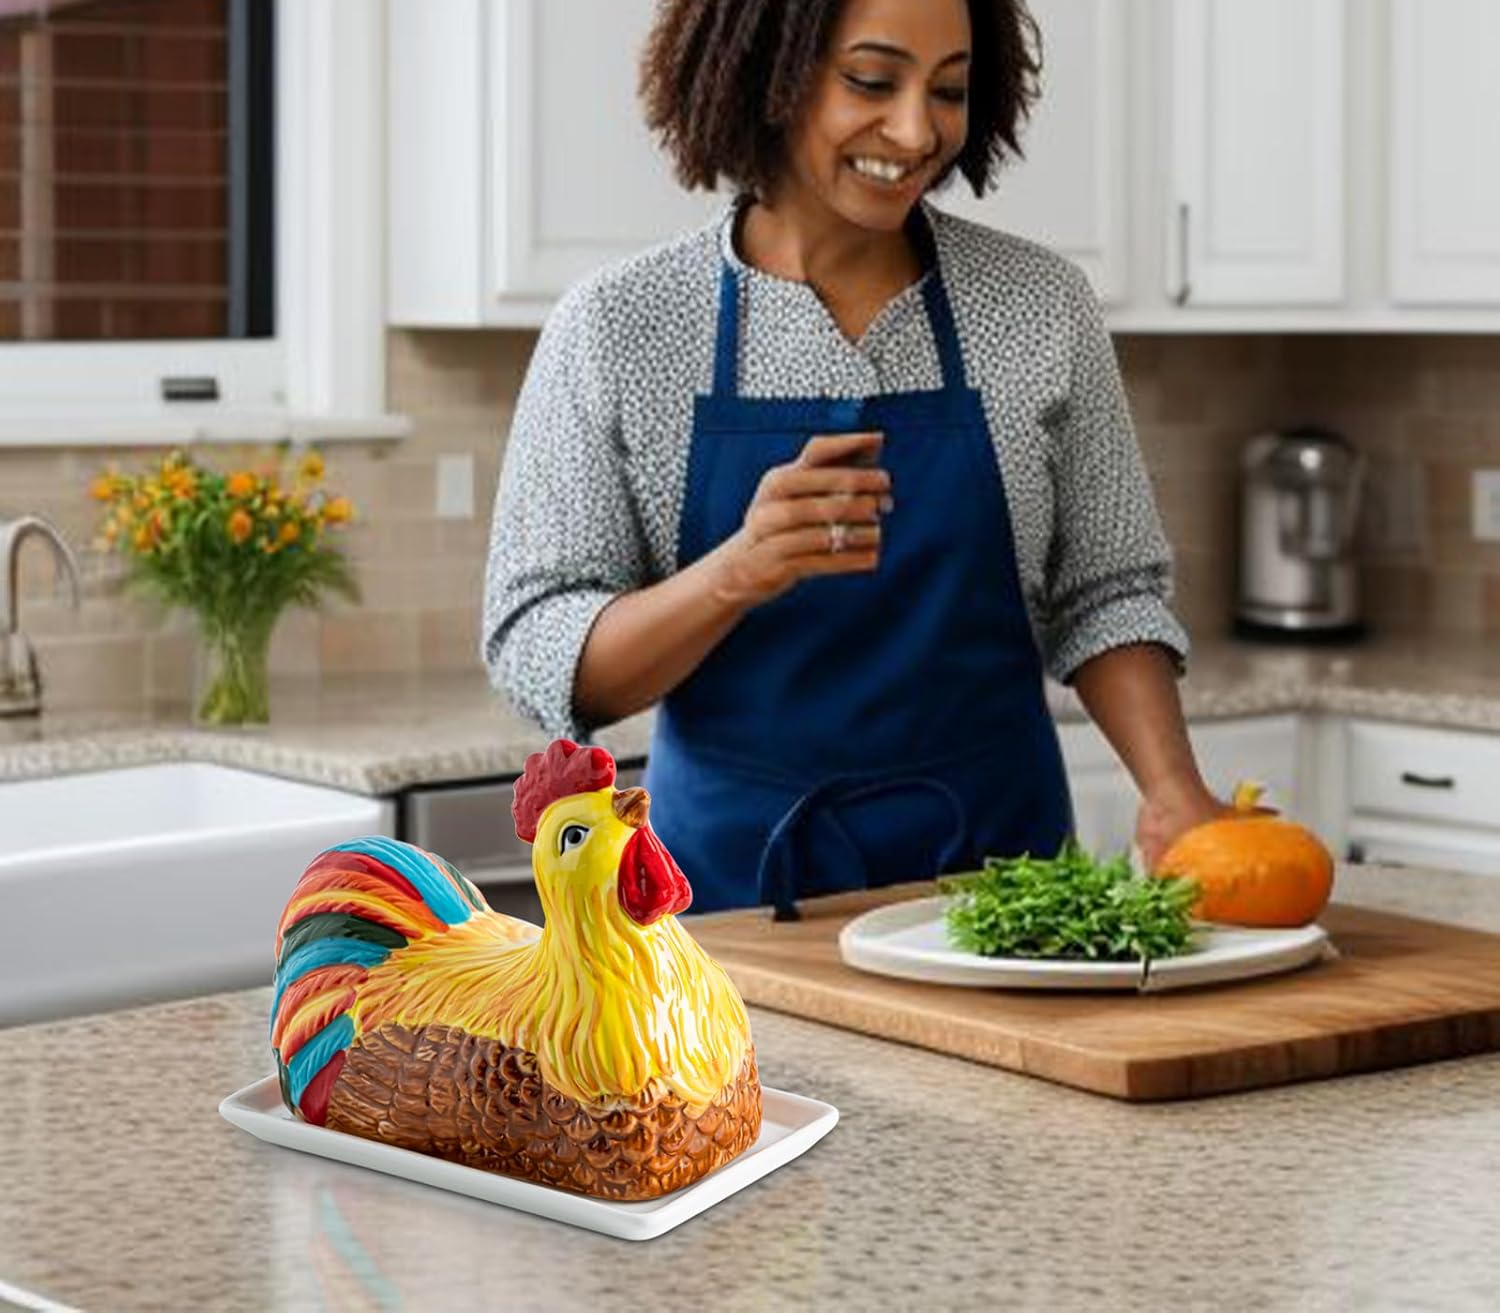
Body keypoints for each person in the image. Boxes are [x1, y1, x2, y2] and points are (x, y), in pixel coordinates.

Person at [483, 0, 1222, 916]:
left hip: (1002, 896)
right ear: (766, 74)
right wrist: (736, 575)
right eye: (872, 81)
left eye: (948, 90)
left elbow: (1107, 592)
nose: (916, 131)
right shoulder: (621, 326)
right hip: (728, 906)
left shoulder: (1040, 307)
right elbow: (540, 647)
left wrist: (1175, 792)